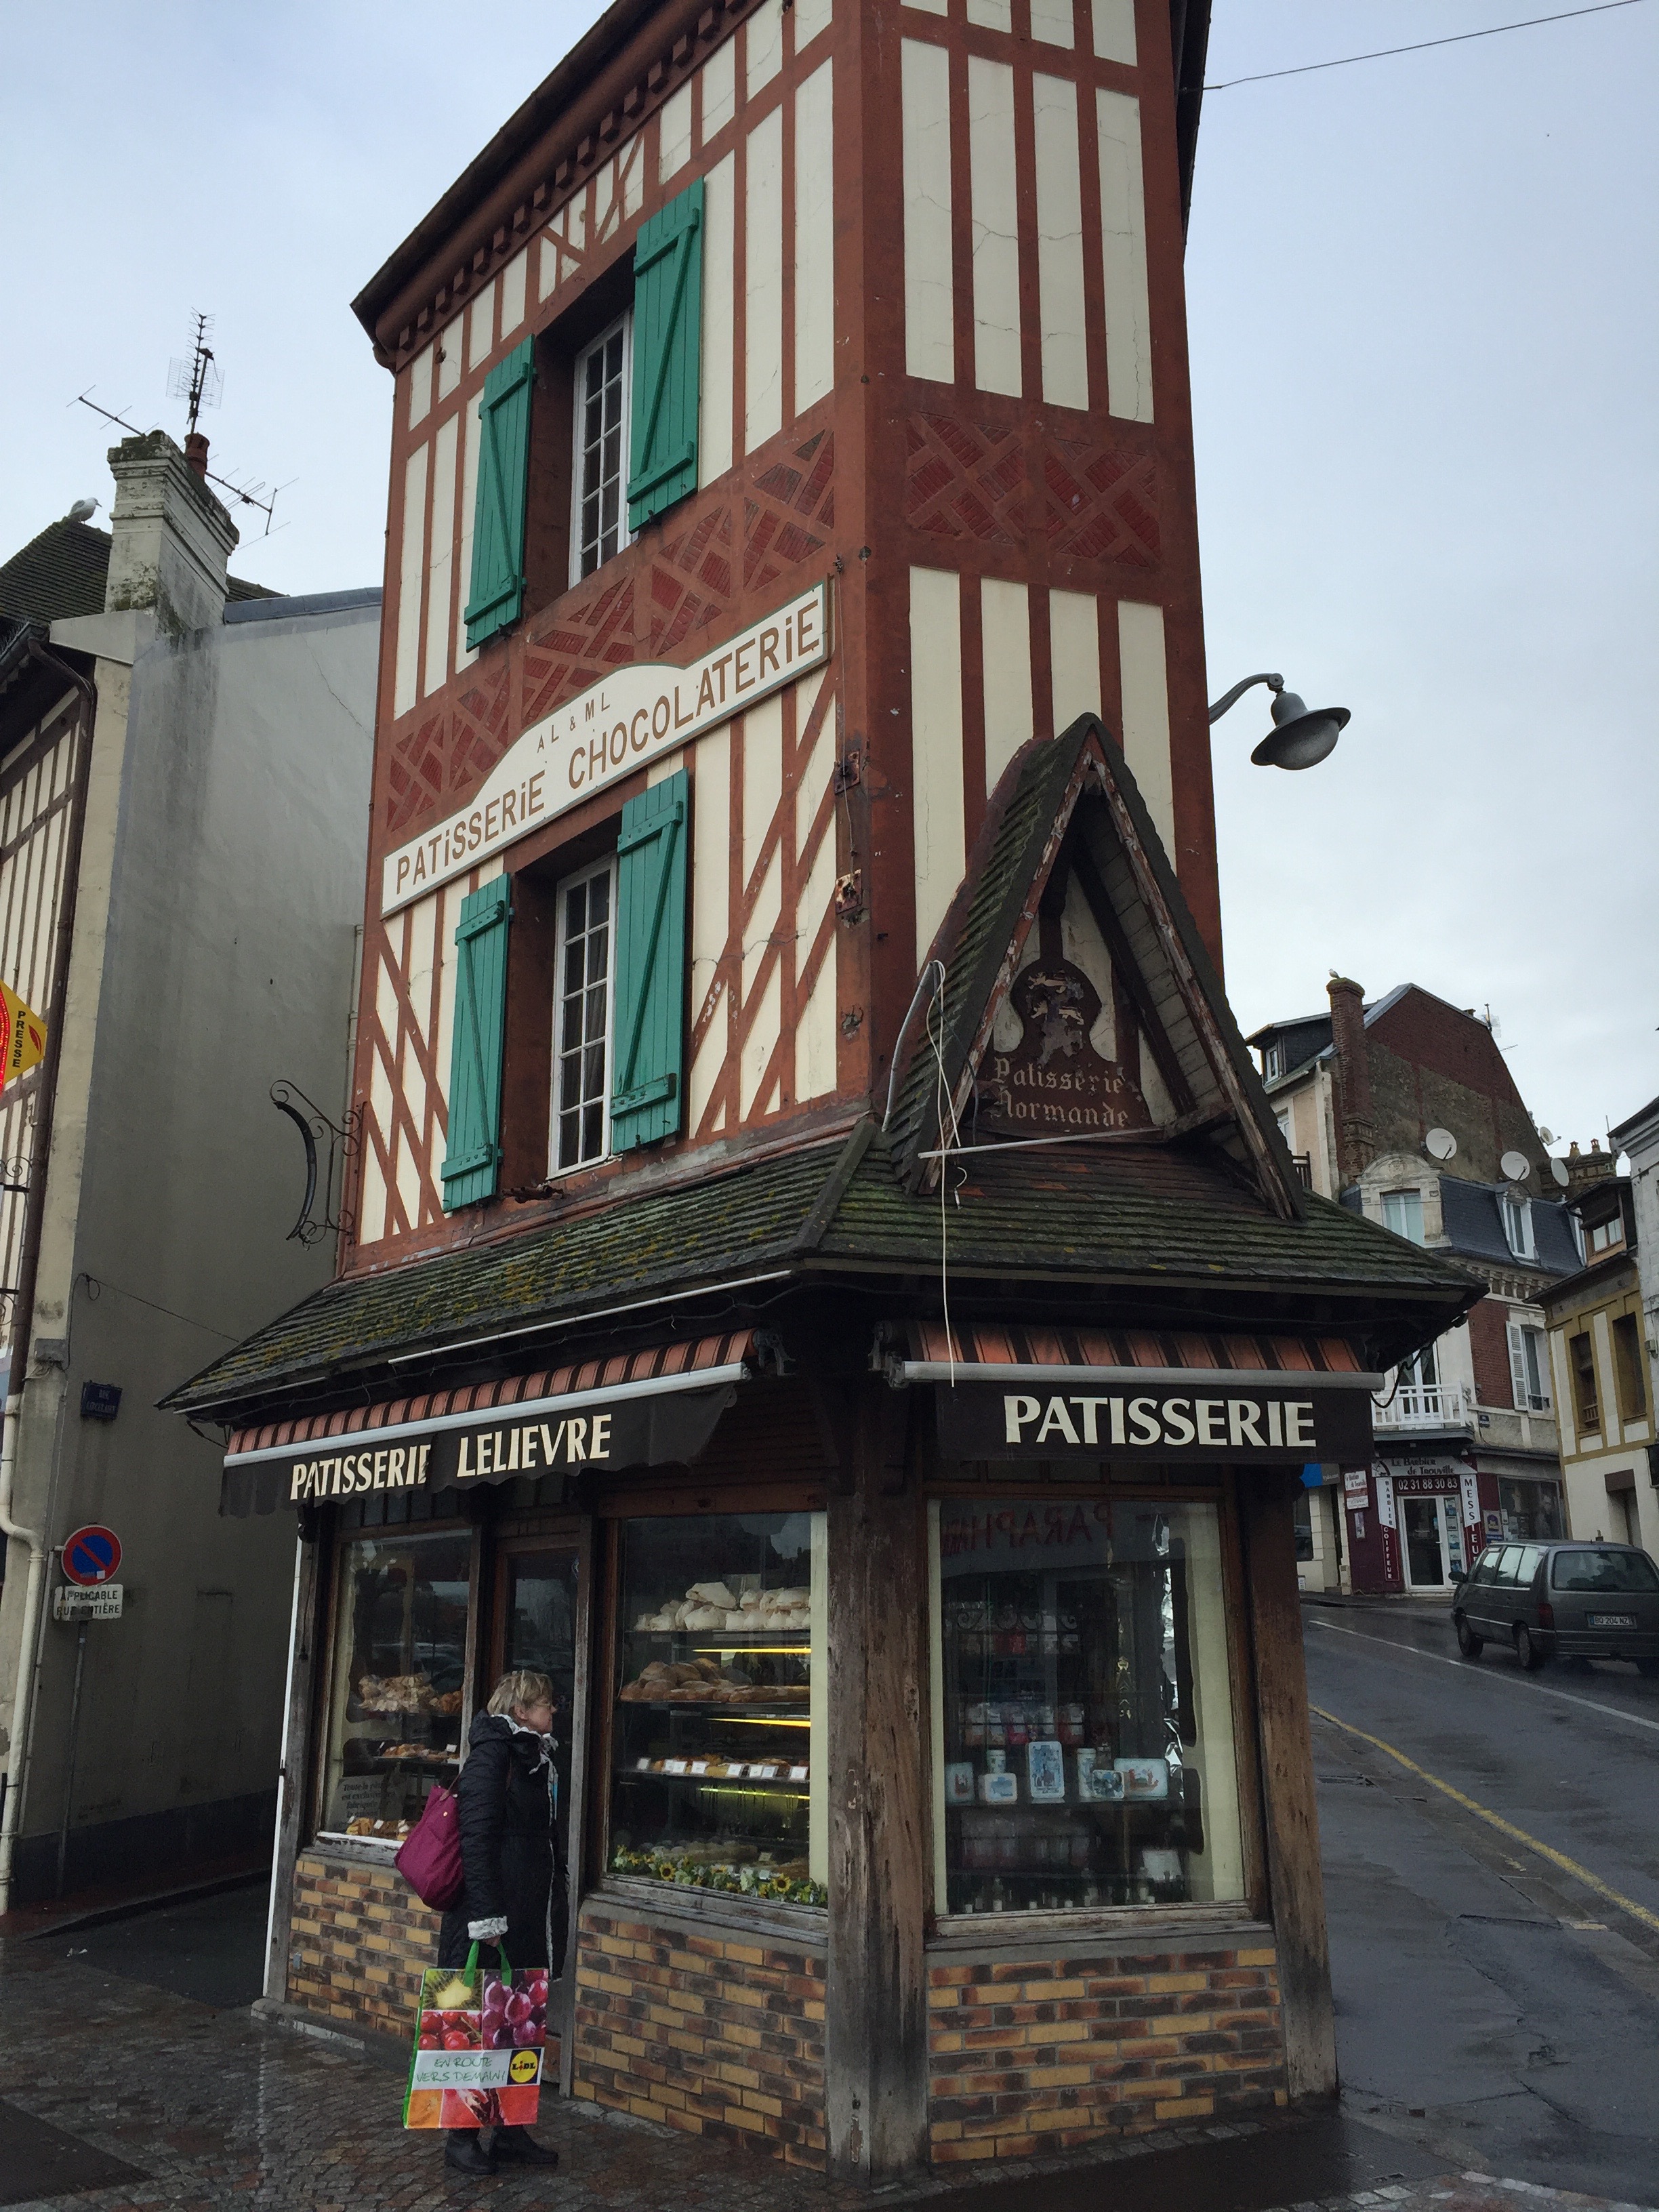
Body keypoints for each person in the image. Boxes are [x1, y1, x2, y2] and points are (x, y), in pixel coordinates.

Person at [436, 1668, 567, 2176]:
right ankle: (462, 2136)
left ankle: (511, 2130)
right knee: (474, 2020)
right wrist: (486, 1916)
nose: (553, 1709)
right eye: (545, 1702)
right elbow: (476, 1837)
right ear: (520, 1710)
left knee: (520, 2022)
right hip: (490, 1917)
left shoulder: (536, 1756)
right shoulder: (493, 1756)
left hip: (527, 1913)